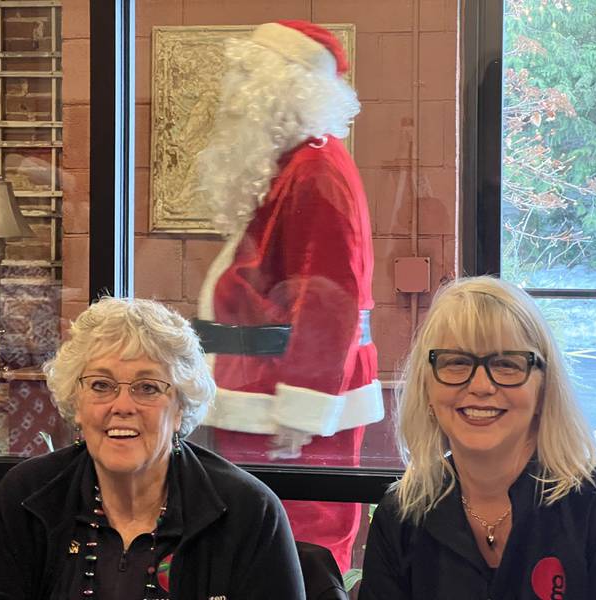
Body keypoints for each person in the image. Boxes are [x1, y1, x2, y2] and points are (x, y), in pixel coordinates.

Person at [0, 297, 306, 600]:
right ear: (77, 403)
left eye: (147, 387)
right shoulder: (25, 497)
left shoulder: (249, 512)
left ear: (180, 406)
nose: (122, 405)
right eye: (101, 385)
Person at [194, 20, 383, 574]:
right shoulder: (296, 166)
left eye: (244, 75)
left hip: (286, 407)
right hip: (264, 395)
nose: (232, 92)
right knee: (260, 541)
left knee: (299, 544)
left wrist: (303, 406)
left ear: (280, 86)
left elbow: (331, 299)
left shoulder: (315, 170)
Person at [359, 276, 596, 599]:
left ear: (544, 388)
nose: (480, 386)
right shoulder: (401, 517)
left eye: (506, 364)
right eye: (457, 362)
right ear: (427, 388)